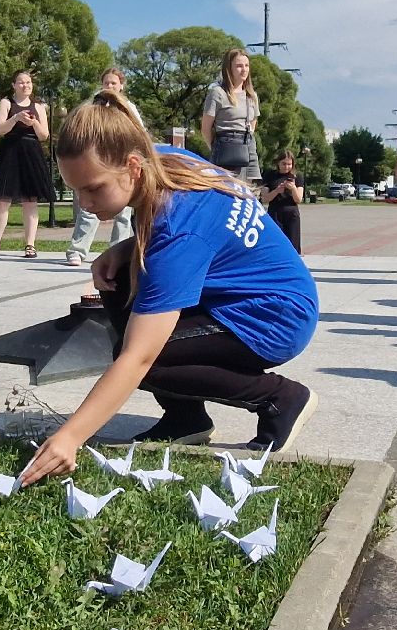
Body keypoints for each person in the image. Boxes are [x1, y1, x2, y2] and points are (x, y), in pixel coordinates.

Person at [17, 92, 320, 482]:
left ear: (132, 166)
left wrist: (70, 437)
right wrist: (128, 247)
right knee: (118, 280)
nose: (84, 203)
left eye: (93, 188)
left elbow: (139, 356)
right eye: (75, 190)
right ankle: (185, 419)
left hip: (274, 317)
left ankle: (280, 398)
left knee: (146, 360)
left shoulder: (179, 225)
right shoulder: (159, 158)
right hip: (252, 297)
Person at [65, 68, 140, 267]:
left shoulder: (129, 108)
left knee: (123, 212)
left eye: (114, 83)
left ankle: (118, 252)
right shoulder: (92, 106)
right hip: (96, 163)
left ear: (121, 86)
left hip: (120, 164)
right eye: (106, 82)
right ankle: (78, 250)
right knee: (89, 208)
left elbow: (139, 135)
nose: (110, 86)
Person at [0, 71, 53, 259]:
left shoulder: (38, 107)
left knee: (30, 201)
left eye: (28, 82)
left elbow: (44, 136)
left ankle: (30, 245)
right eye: (21, 82)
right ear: (14, 85)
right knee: (2, 200)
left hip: (31, 153)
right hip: (10, 152)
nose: (25, 85)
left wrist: (34, 122)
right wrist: (16, 118)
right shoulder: (6, 103)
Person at [201, 49, 260, 181]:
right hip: (225, 146)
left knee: (248, 189)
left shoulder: (252, 96)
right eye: (239, 66)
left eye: (246, 65)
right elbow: (205, 129)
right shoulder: (217, 93)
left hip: (247, 148)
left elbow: (252, 126)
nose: (244, 70)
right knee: (226, 188)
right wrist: (216, 148)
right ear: (229, 68)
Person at [261, 150, 306, 253]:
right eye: (284, 164)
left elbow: (298, 199)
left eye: (289, 164)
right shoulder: (270, 175)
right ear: (278, 163)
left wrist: (293, 188)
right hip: (275, 212)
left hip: (291, 213)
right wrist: (276, 191)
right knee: (276, 242)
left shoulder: (297, 176)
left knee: (293, 245)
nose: (286, 167)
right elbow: (265, 199)